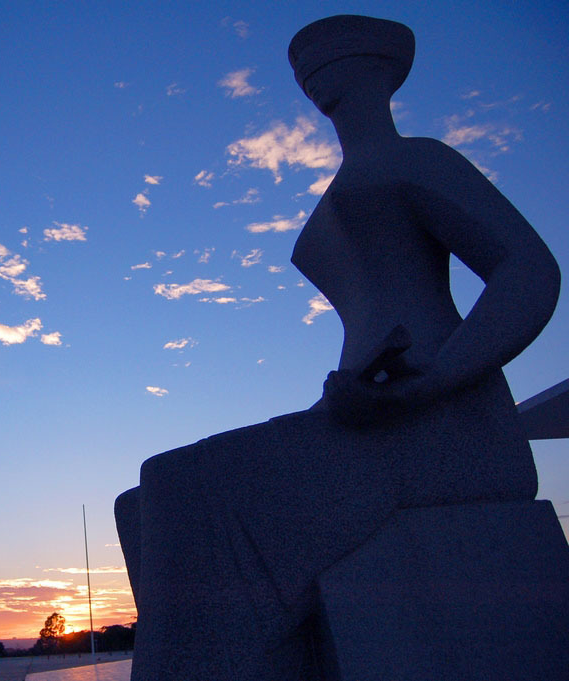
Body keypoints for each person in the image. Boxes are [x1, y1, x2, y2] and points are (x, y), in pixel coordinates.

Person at [115, 14, 561, 681]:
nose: (314, 67)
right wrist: (351, 387)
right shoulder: (339, 197)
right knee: (137, 509)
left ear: (380, 68)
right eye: (304, 63)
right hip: (370, 418)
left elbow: (530, 272)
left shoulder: (416, 160)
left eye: (333, 52)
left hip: (446, 425)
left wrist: (429, 383)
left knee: (174, 484)